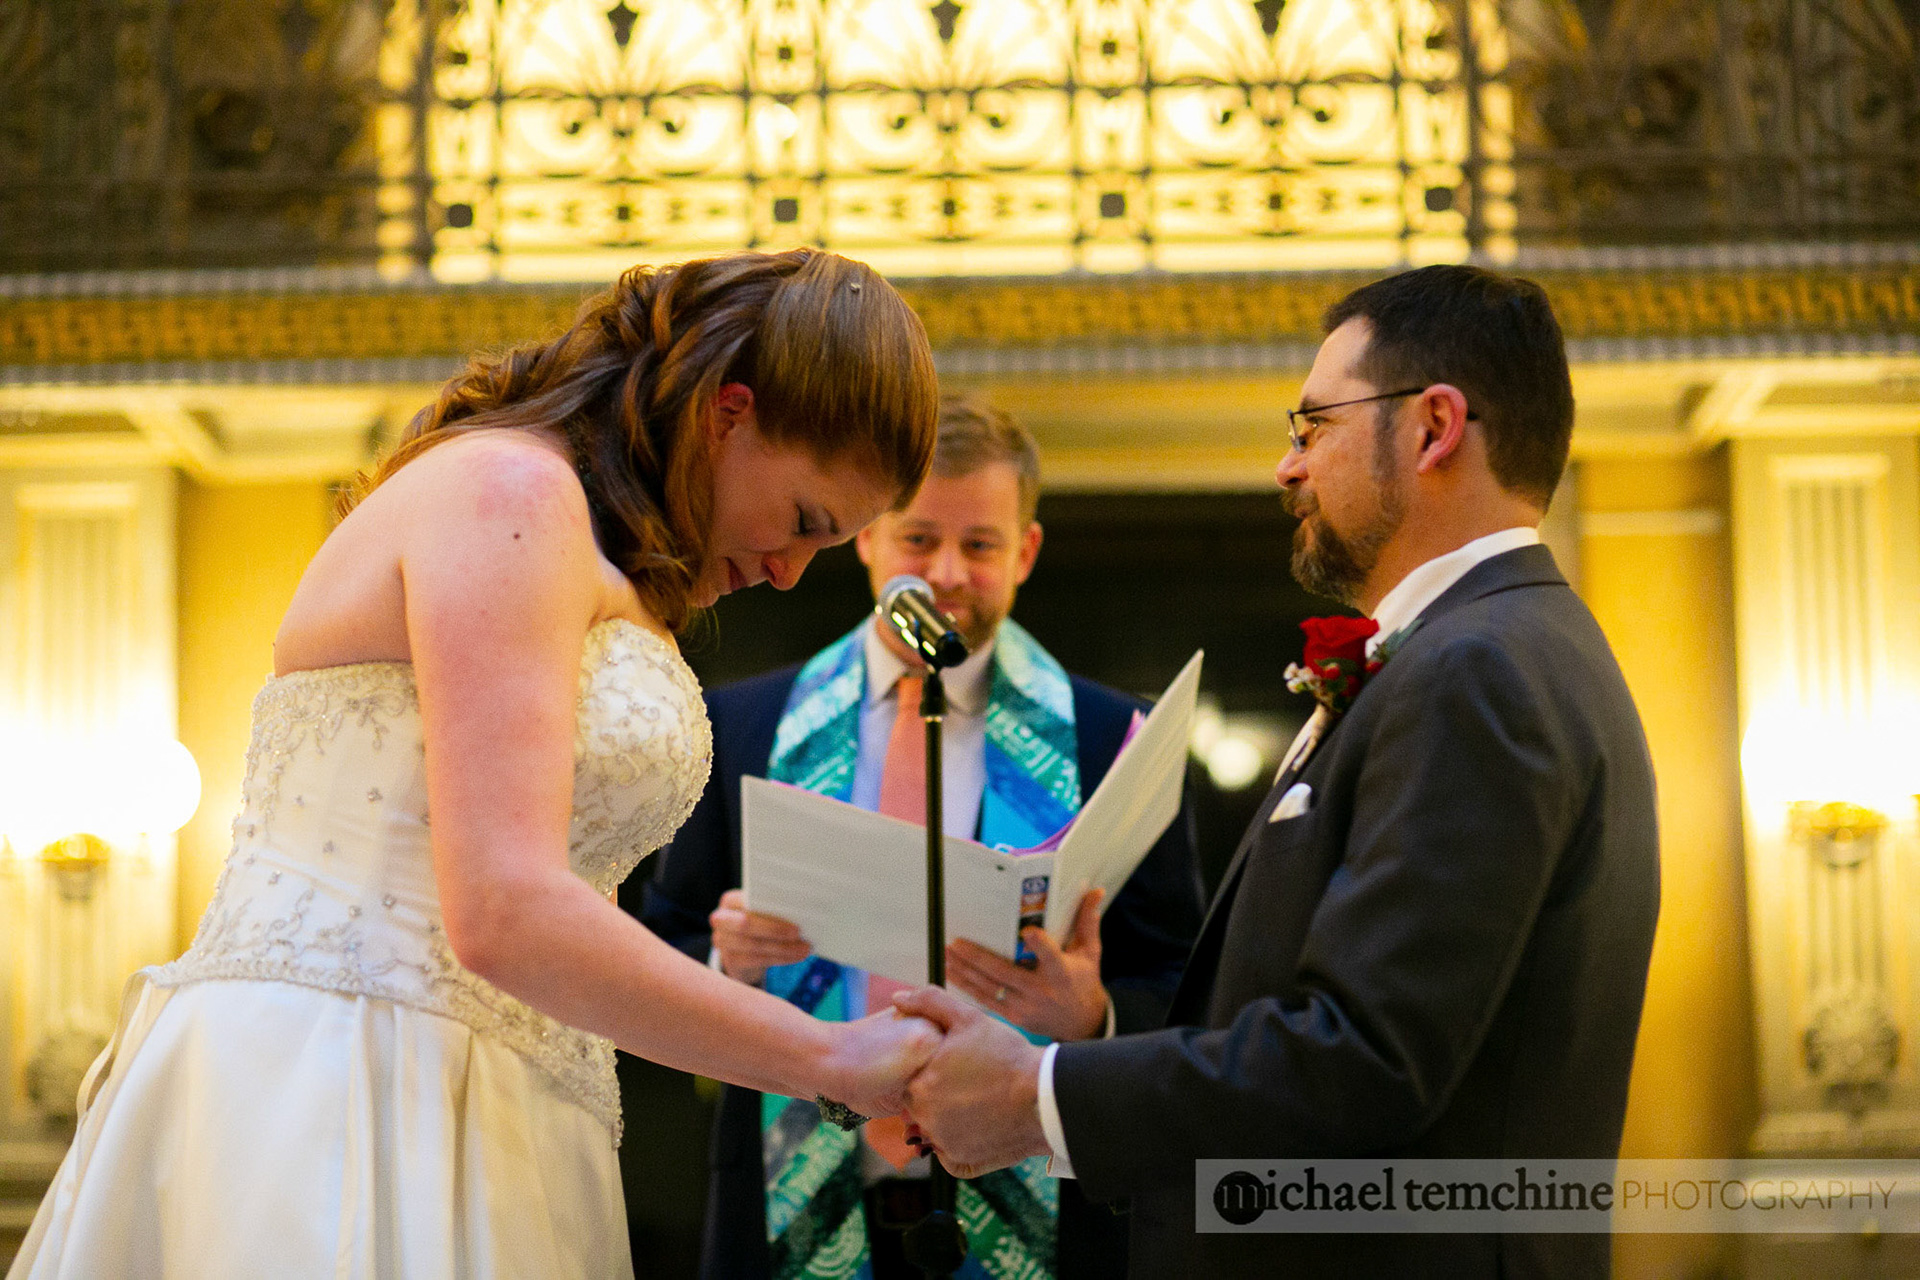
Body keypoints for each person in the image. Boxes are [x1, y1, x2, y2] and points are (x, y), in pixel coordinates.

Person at [11, 248, 950, 1279]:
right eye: (806, 521)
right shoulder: (508, 490)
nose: (787, 571)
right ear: (729, 412)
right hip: (343, 1078)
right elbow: (504, 905)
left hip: (507, 1103)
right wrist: (825, 1054)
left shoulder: (594, 555)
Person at [893, 265, 1662, 1279]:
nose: (1285, 468)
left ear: (1433, 427)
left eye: (1312, 426)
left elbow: (1364, 1055)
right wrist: (1097, 1024)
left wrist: (1037, 1094)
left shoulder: (1478, 668)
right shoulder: (1491, 647)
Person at [629, 395, 1206, 1279]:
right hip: (795, 1186)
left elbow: (1188, 983)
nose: (944, 573)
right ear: (863, 536)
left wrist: (1092, 1016)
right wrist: (726, 967)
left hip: (1044, 1202)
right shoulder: (743, 723)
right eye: (917, 540)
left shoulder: (1109, 736)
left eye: (979, 546)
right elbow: (654, 946)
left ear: (1027, 551)